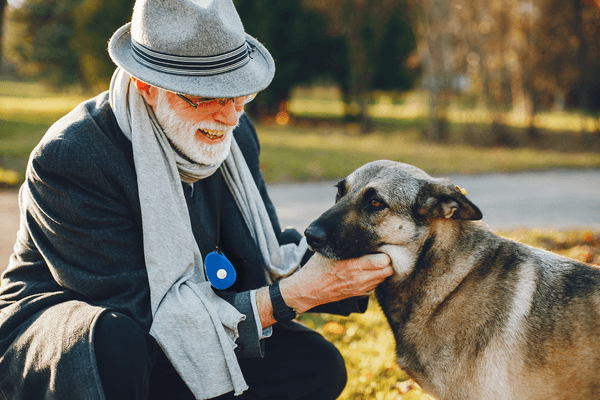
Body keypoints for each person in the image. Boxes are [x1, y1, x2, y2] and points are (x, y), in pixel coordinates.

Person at [0, 0, 393, 399]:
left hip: (188, 318)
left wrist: (368, 253)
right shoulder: (73, 156)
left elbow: (262, 255)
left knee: (315, 363)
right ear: (147, 87)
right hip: (82, 336)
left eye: (239, 92)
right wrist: (296, 294)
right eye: (207, 96)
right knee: (114, 342)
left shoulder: (235, 136)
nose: (230, 116)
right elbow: (146, 317)